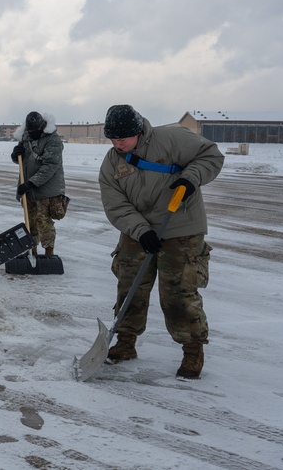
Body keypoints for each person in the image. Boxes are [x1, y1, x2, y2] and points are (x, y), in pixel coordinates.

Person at [98, 104, 223, 380]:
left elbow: (211, 155)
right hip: (138, 230)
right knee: (130, 286)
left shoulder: (171, 140)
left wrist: (191, 179)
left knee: (179, 292)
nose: (118, 143)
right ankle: (126, 342)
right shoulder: (111, 163)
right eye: (113, 138)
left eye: (123, 138)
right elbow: (115, 205)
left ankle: (192, 351)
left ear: (138, 131)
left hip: (181, 226)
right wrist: (141, 230)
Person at [10, 111, 67, 256]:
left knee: (43, 221)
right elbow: (22, 160)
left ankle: (49, 251)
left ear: (42, 126)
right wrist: (16, 154)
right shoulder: (26, 137)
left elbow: (50, 166)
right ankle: (31, 249)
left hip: (46, 189)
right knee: (30, 220)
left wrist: (31, 183)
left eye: (35, 131)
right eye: (30, 131)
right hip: (28, 188)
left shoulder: (53, 140)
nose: (32, 133)